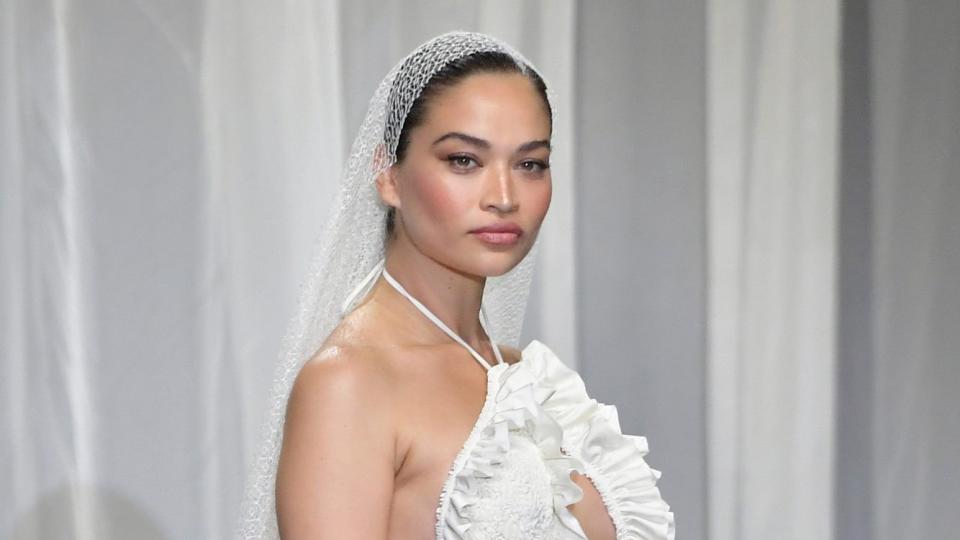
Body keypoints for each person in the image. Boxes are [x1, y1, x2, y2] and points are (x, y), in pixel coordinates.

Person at [237, 31, 675, 540]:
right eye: (464, 160)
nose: (504, 196)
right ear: (388, 174)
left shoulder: (523, 379)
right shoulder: (351, 384)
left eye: (530, 163)